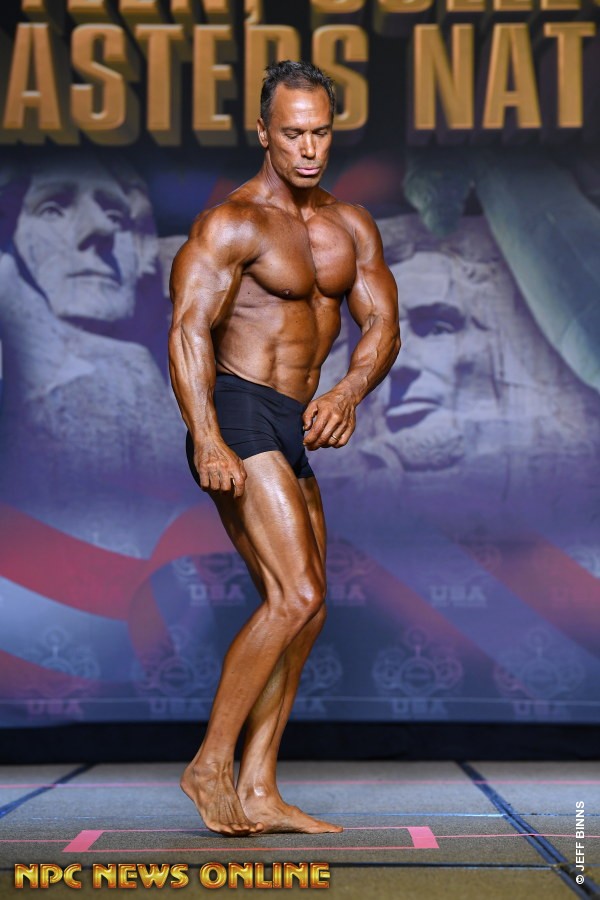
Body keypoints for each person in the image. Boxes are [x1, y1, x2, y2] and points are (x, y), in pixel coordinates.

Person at [169, 60, 400, 836]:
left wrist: (348, 391)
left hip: (294, 418)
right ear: (263, 132)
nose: (308, 148)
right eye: (293, 132)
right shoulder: (232, 223)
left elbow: (383, 324)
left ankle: (260, 786)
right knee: (294, 593)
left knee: (311, 607)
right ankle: (210, 765)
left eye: (321, 132)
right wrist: (207, 436)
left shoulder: (349, 224)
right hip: (237, 411)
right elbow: (187, 331)